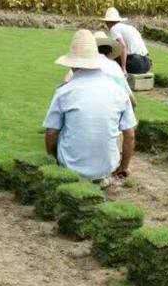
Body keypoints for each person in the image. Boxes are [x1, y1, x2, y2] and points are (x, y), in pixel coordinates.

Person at [44, 29, 137, 181]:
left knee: (60, 129)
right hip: (108, 168)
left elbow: (51, 133)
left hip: (70, 167)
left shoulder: (64, 91)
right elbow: (130, 135)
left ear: (72, 64)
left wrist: (53, 160)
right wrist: (124, 167)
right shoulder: (118, 91)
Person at [103, 7, 151, 74]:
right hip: (147, 64)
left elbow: (123, 46)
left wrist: (123, 68)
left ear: (107, 22)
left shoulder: (114, 28)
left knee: (109, 61)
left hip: (136, 63)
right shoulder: (129, 27)